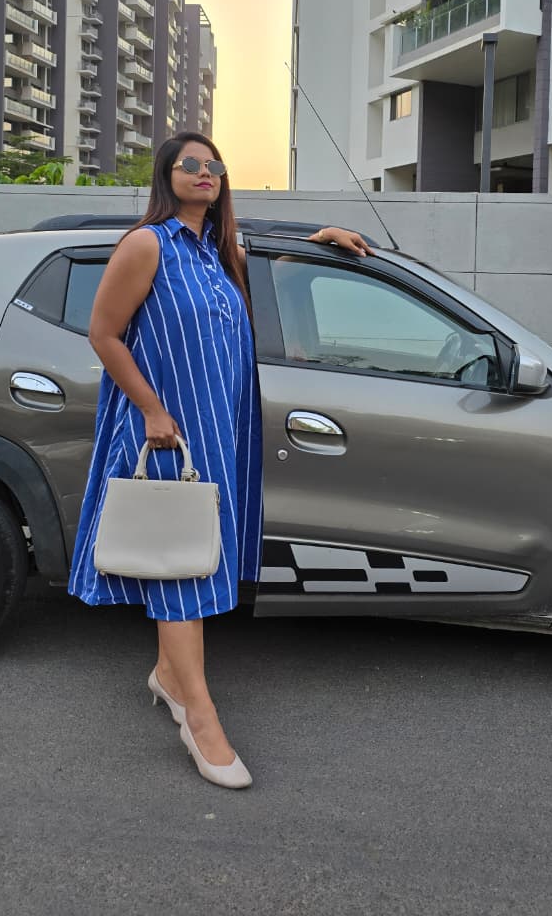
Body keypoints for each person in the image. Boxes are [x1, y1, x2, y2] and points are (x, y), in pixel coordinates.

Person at [67, 131, 372, 789]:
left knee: (191, 551)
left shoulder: (216, 250)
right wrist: (152, 410)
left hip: (219, 431)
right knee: (182, 560)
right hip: (168, 432)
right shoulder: (148, 244)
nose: (204, 172)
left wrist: (320, 238)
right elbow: (104, 332)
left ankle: (168, 675)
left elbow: (261, 264)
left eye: (214, 165)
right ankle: (200, 718)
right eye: (190, 164)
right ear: (167, 175)